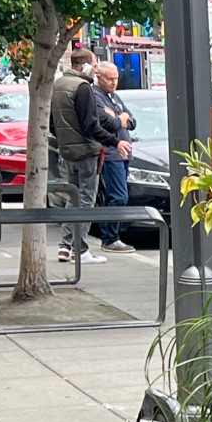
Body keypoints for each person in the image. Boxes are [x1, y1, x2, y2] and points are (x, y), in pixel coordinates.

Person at [49, 47, 120, 264]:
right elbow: (91, 125)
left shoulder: (58, 85)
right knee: (86, 199)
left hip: (68, 151)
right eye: (95, 65)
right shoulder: (83, 87)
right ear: (86, 65)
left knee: (73, 197)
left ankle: (65, 246)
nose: (95, 71)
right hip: (87, 152)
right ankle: (81, 249)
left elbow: (53, 123)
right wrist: (115, 142)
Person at [91, 62, 137, 251]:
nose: (114, 82)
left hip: (124, 154)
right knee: (117, 196)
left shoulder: (114, 97)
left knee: (118, 196)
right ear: (99, 77)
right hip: (111, 153)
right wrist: (120, 119)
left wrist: (119, 118)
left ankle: (111, 236)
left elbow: (132, 121)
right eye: (110, 79)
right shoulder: (95, 96)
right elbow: (106, 122)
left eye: (116, 78)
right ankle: (110, 237)